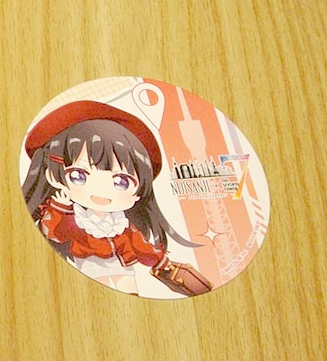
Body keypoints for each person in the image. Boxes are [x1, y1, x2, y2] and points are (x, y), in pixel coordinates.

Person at [21, 100, 211, 296]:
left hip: (121, 266)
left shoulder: (120, 224)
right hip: (87, 267)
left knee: (128, 290)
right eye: (79, 175)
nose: (101, 190)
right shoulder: (76, 218)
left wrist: (162, 262)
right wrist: (59, 208)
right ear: (53, 177)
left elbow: (139, 245)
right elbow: (56, 233)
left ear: (138, 193)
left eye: (121, 181)